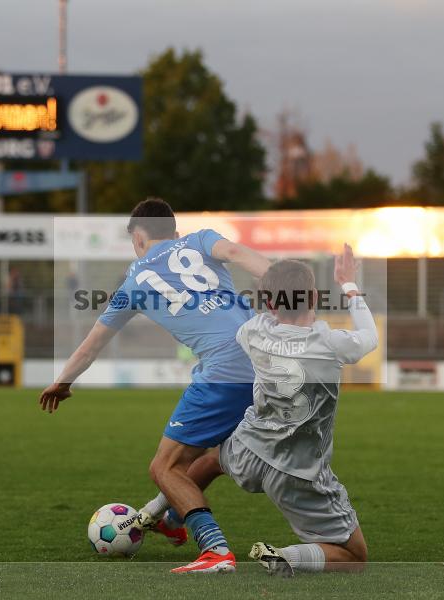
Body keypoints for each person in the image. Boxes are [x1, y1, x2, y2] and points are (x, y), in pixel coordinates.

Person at [38, 198, 271, 574]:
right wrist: (286, 289)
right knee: (213, 456)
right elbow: (235, 252)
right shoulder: (200, 240)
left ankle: (215, 551)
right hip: (267, 357)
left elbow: (91, 345)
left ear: (138, 238)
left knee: (164, 467)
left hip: (224, 370)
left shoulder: (133, 283)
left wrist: (62, 383)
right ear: (175, 233)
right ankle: (172, 518)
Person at [184, 244, 377, 576]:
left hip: (248, 451)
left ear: (270, 304)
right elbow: (369, 336)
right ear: (315, 298)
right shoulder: (331, 345)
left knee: (212, 460)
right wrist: (348, 283)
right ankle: (287, 556)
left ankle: (163, 508)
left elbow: (255, 314)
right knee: (355, 556)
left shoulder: (253, 332)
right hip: (296, 471)